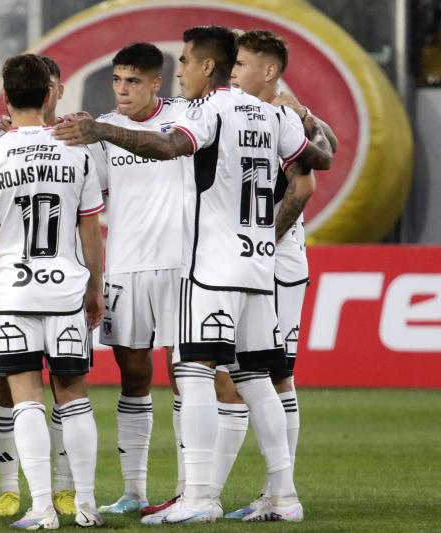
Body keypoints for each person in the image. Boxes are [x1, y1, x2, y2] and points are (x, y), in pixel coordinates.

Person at [55, 25, 332, 524]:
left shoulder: (210, 110)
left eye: (184, 60)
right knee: (257, 379)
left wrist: (104, 131)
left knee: (194, 373)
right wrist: (307, 118)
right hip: (257, 265)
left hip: (212, 267)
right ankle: (285, 496)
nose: (179, 69)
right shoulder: (272, 114)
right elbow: (319, 161)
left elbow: (170, 148)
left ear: (209, 66)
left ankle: (198, 496)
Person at [0, 54, 106, 529]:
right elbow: (91, 231)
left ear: (6, 97)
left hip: (13, 294)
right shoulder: (77, 153)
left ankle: (42, 508)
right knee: (75, 399)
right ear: (49, 96)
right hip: (66, 292)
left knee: (26, 401)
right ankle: (86, 505)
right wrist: (95, 288)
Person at [214, 29, 337, 520]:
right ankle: (267, 491)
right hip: (250, 259)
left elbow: (311, 175)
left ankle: (280, 492)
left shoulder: (285, 115)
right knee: (246, 371)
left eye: (242, 64)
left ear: (268, 71)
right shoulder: (237, 113)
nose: (233, 72)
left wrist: (266, 239)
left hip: (277, 261)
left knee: (277, 372)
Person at [88, 42, 189, 516]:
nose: (122, 90)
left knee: (187, 377)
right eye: (116, 80)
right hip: (125, 267)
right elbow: (92, 198)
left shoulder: (185, 120)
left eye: (132, 81)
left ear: (155, 82)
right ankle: (134, 491)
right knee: (133, 377)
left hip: (179, 266)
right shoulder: (104, 131)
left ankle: (190, 489)